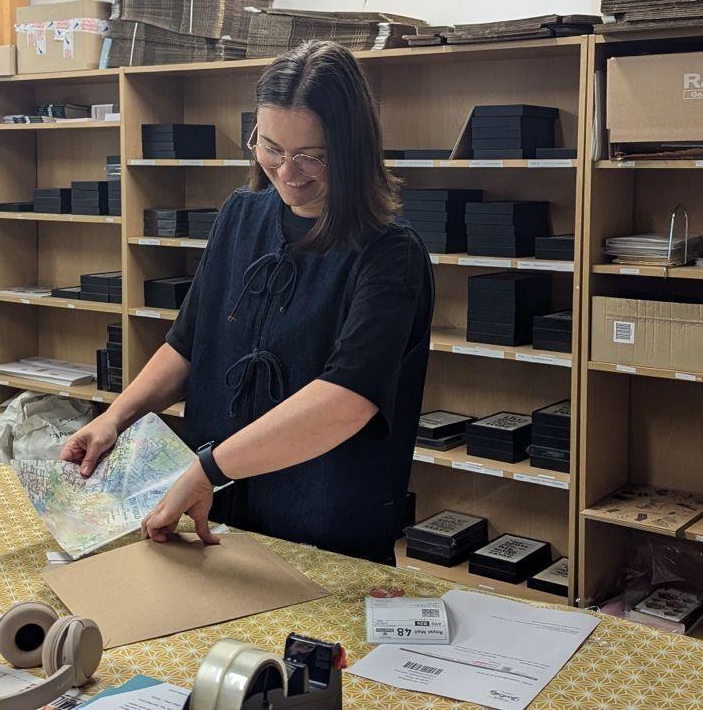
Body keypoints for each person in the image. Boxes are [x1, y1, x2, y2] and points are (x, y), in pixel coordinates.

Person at [60, 40, 434, 563]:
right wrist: (114, 418)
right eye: (271, 148)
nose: (287, 172)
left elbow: (346, 398)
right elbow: (189, 344)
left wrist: (209, 467)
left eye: (312, 156)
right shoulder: (241, 214)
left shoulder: (391, 255)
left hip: (325, 523)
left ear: (353, 149)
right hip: (218, 513)